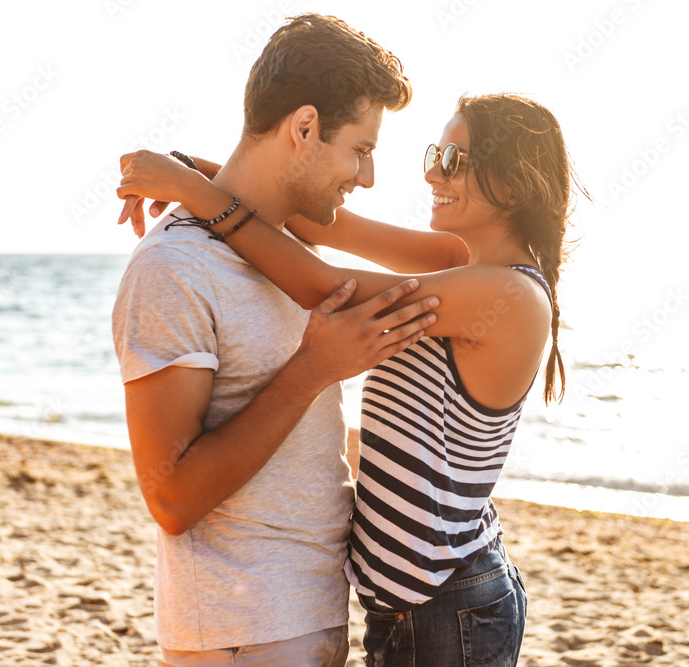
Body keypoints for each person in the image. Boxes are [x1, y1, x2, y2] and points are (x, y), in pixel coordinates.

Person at [118, 92, 584, 666]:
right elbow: (320, 224)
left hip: (449, 600)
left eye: (456, 161)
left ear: (512, 187)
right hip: (410, 600)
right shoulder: (456, 258)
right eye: (436, 152)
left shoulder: (509, 295)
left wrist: (193, 193)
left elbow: (322, 285)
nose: (433, 171)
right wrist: (201, 171)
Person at [110, 14, 436, 666]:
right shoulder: (174, 267)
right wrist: (315, 366)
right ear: (305, 127)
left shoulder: (285, 250)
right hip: (239, 631)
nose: (366, 177)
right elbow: (170, 497)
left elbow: (449, 261)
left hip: (304, 615)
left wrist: (198, 180)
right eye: (361, 150)